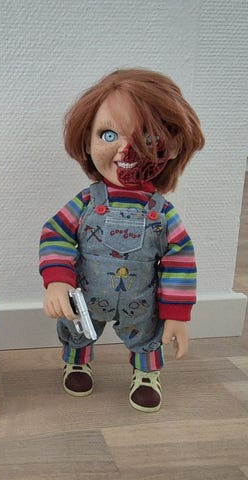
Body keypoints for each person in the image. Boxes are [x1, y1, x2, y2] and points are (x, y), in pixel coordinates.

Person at [39, 68, 204, 412]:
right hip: (86, 295)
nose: (126, 149)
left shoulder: (162, 212)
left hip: (140, 302)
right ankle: (77, 362)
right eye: (109, 134)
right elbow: (56, 232)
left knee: (148, 336)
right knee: (77, 328)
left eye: (147, 138)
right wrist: (57, 280)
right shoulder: (87, 201)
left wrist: (177, 313)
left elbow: (180, 258)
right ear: (87, 141)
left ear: (173, 146)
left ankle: (146, 374)